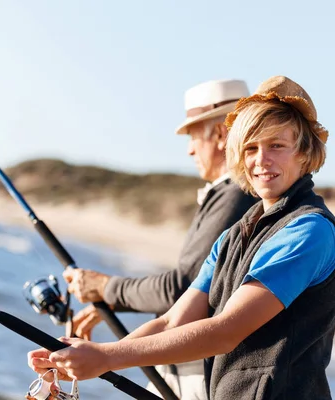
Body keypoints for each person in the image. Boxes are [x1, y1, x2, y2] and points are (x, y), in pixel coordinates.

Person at [29, 75, 335, 399]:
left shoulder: (308, 231)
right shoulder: (234, 236)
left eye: (276, 146)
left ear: (304, 153)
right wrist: (90, 355)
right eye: (251, 148)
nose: (261, 160)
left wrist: (108, 357)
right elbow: (171, 322)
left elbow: (226, 331)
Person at [62, 79, 258, 399]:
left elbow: (180, 288)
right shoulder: (229, 195)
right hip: (189, 367)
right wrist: (113, 303)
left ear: (222, 134)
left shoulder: (235, 195)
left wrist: (106, 288)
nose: (190, 149)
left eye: (194, 136)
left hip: (199, 374)